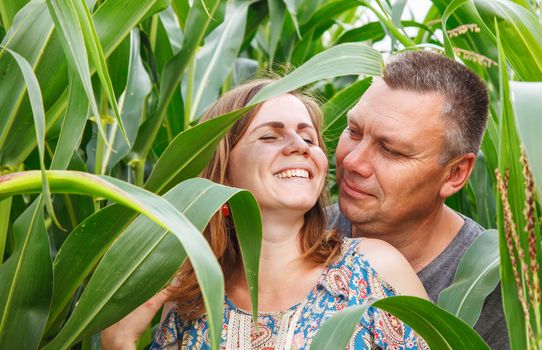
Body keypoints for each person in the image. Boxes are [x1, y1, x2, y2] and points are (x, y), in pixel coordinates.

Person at [101, 80, 429, 349]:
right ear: (223, 172)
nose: (299, 146)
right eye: (270, 136)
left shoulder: (374, 271)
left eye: (308, 136)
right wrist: (119, 341)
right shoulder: (191, 302)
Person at [327, 50, 508, 348]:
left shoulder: (491, 289)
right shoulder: (300, 233)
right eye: (354, 131)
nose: (353, 161)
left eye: (391, 151)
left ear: (455, 174)